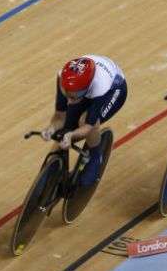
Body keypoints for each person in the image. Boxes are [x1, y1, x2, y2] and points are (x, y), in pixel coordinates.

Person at [41, 55, 128, 185]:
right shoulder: (63, 79)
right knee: (61, 134)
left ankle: (95, 157)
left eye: (74, 96)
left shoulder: (101, 87)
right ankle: (46, 179)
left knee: (86, 122)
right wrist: (51, 128)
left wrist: (71, 134)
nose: (70, 101)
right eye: (67, 94)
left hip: (114, 91)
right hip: (86, 88)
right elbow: (59, 116)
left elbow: (88, 126)